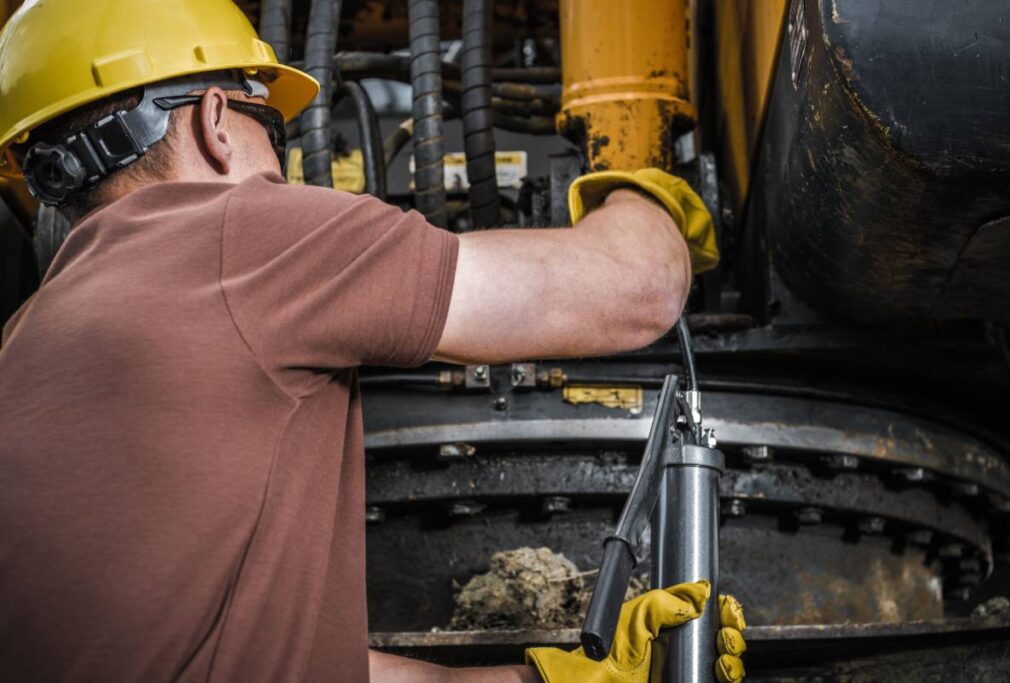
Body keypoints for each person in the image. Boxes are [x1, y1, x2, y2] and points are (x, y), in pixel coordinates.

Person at [0, 1, 746, 681]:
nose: (284, 169)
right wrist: (644, 189)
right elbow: (634, 288)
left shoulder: (22, 343)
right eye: (276, 130)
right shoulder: (248, 239)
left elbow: (285, 658)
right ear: (217, 120)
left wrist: (542, 680)